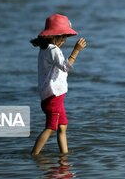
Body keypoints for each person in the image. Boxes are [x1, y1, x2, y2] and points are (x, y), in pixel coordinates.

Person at [30, 14, 87, 155]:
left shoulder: (44, 49)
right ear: (55, 36)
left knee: (63, 127)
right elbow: (65, 67)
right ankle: (34, 155)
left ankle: (64, 156)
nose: (64, 41)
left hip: (53, 96)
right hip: (53, 97)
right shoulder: (53, 50)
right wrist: (76, 50)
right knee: (50, 128)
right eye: (63, 37)